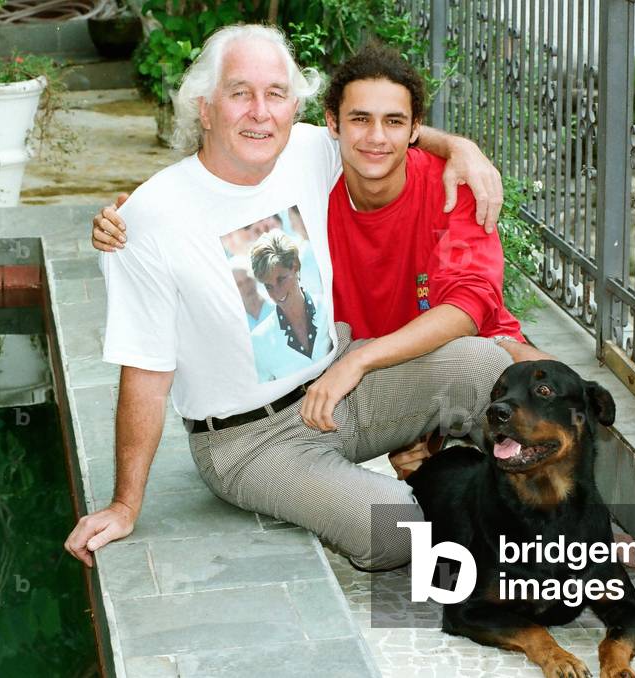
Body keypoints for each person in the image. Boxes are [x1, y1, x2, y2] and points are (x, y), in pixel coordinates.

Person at [64, 23, 512, 572]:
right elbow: (145, 377)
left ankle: (549, 518)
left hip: (340, 383)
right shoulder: (149, 221)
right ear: (204, 108)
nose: (260, 111)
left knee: (490, 365)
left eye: (276, 94)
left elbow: (385, 131)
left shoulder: (303, 148)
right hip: (251, 441)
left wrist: (460, 147)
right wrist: (125, 504)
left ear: (294, 106)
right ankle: (370, 500)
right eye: (239, 93)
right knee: (396, 527)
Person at [248, 229, 330, 380]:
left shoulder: (329, 308)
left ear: (295, 266)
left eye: (281, 279)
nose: (277, 294)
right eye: (269, 286)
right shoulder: (259, 341)